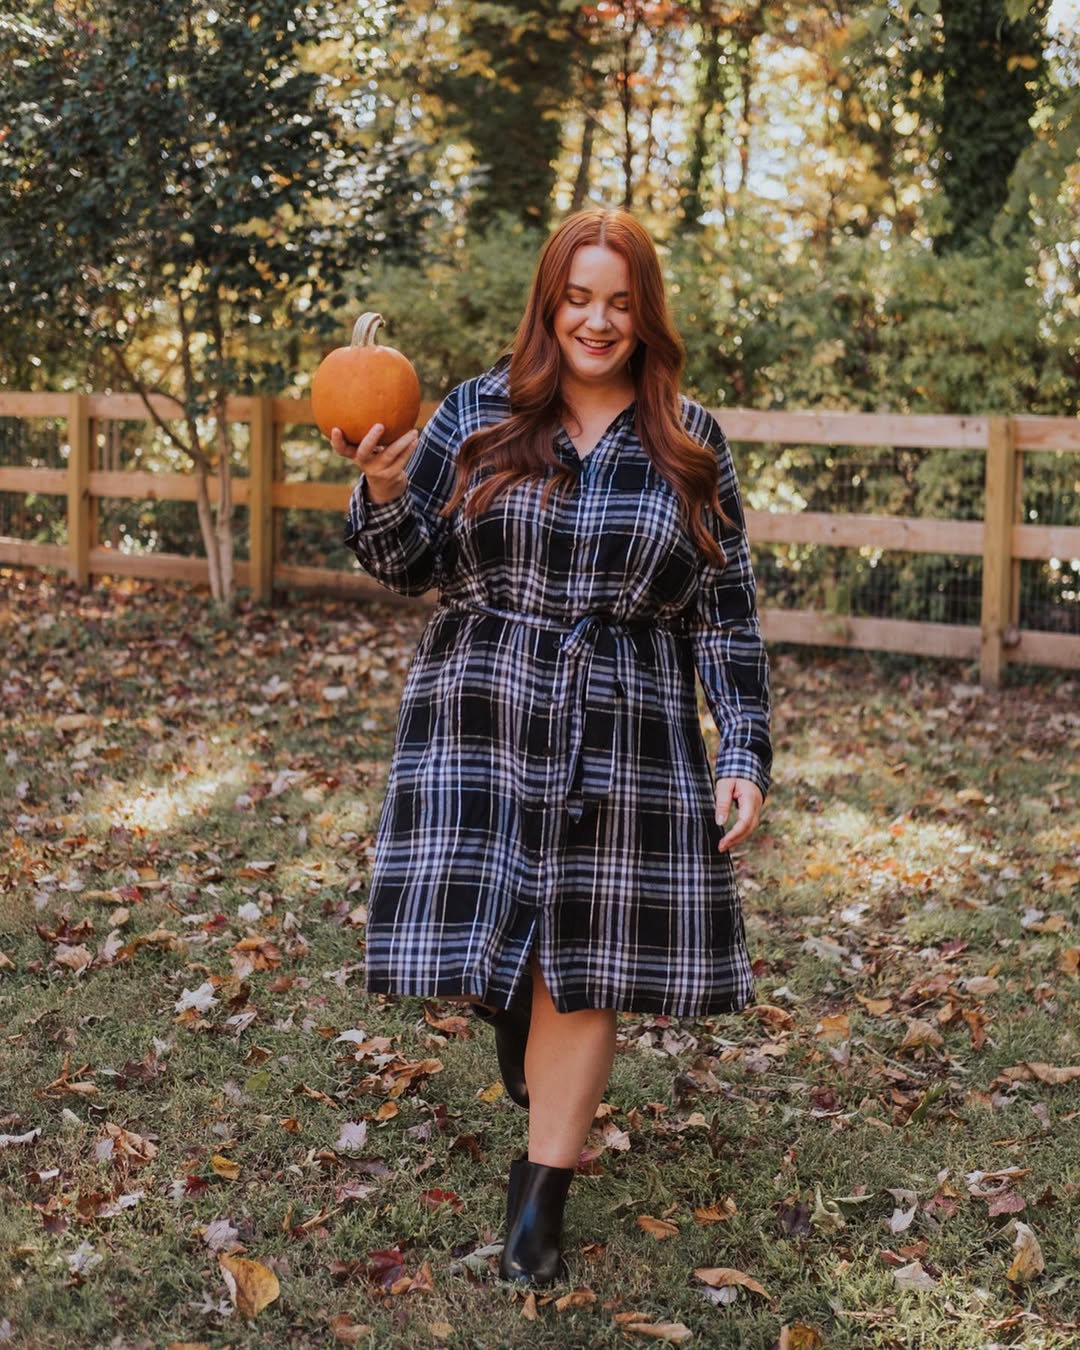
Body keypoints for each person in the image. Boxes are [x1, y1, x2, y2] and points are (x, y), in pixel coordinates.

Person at [334, 208, 771, 1287]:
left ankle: (539, 1202)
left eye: (620, 302)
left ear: (645, 315)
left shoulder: (688, 436)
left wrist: (743, 750)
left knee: (585, 962)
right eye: (579, 297)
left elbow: (726, 611)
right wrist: (385, 488)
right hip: (483, 702)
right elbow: (407, 562)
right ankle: (508, 1002)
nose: (597, 319)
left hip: (630, 718)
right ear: (548, 302)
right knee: (527, 953)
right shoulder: (478, 413)